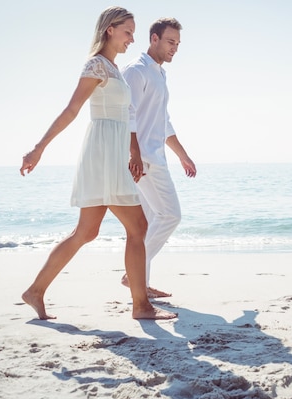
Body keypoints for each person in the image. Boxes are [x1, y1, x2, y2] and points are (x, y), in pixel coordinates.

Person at [19, 6, 176, 321]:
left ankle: (35, 291)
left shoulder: (114, 68)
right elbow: (72, 110)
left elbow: (127, 116)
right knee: (139, 226)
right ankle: (141, 305)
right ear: (110, 30)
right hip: (104, 154)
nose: (132, 39)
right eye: (128, 32)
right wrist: (39, 148)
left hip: (113, 152)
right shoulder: (96, 66)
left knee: (86, 232)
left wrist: (133, 152)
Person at [121, 17, 196, 298]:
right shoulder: (136, 71)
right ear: (154, 39)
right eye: (170, 41)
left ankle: (141, 285)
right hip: (144, 160)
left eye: (177, 43)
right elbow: (125, 114)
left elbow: (163, 122)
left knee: (151, 221)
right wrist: (134, 155)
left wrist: (183, 157)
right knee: (171, 215)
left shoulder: (160, 74)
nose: (174, 48)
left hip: (154, 156)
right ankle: (132, 274)